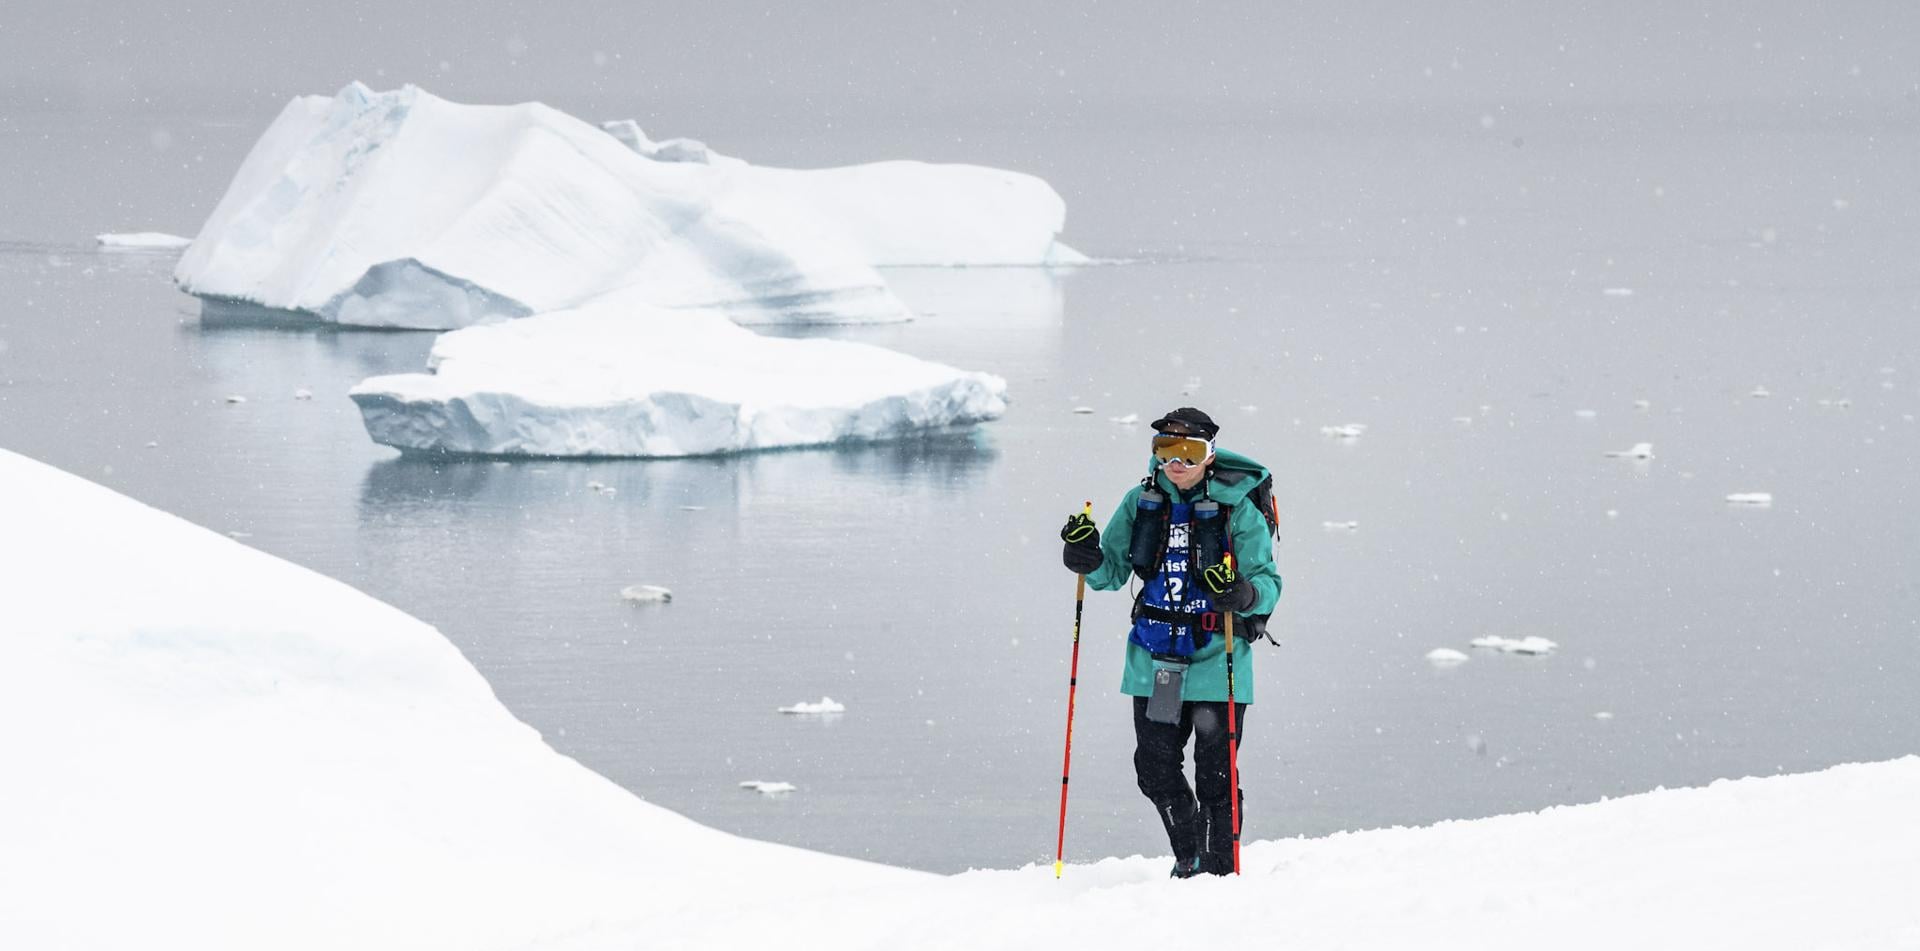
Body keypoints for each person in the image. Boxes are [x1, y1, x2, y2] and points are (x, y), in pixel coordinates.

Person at [1059, 407, 1282, 877]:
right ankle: (1191, 855)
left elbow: (1267, 583)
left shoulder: (1236, 507)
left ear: (1210, 455)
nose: (1176, 463)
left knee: (1215, 775)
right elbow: (1110, 574)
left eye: (1189, 452)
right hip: (1153, 658)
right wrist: (1085, 556)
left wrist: (1242, 593)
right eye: (1165, 450)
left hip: (1216, 657)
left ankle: (1218, 868)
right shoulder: (1139, 503)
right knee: (1155, 769)